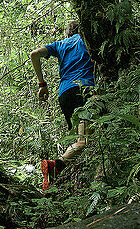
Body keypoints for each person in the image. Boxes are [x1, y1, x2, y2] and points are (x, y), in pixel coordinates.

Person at [30, 20, 96, 191]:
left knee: (79, 138)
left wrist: (42, 85)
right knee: (84, 140)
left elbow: (34, 54)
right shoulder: (88, 40)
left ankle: (63, 176)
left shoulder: (60, 44)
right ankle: (55, 166)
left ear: (68, 33)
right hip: (84, 90)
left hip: (65, 94)